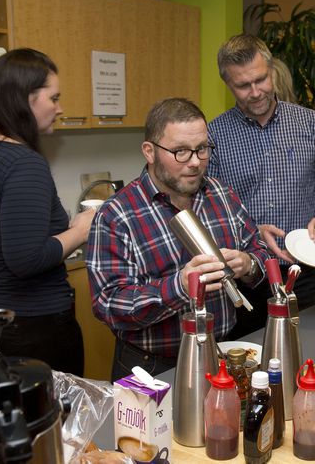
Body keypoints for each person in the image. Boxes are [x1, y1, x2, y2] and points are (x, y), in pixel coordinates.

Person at [86, 98, 269, 381]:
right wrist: (179, 286)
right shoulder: (117, 215)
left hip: (222, 353)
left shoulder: (220, 194)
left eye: (202, 149)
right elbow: (108, 305)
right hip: (153, 369)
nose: (195, 162)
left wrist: (248, 263)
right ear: (149, 151)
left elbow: (259, 251)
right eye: (181, 152)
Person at [0, 48, 92, 375]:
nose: (60, 108)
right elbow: (25, 259)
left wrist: (63, 233)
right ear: (27, 99)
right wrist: (81, 230)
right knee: (50, 425)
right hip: (28, 328)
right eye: (53, 98)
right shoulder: (23, 163)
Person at [207, 34, 315, 338]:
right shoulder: (214, 136)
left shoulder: (311, 124)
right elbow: (209, 211)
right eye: (243, 86)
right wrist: (250, 234)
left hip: (305, 271)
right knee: (247, 364)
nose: (256, 92)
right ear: (227, 85)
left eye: (261, 79)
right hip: (246, 277)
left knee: (305, 353)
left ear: (272, 71)